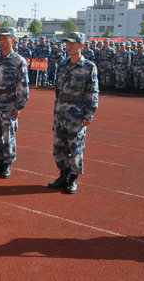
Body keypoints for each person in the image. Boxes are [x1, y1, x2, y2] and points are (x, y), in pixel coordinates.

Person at [48, 32, 98, 194]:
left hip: (76, 115)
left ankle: (73, 178)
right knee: (59, 147)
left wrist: (89, 113)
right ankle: (63, 175)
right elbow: (58, 91)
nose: (68, 46)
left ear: (81, 45)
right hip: (60, 112)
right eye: (67, 43)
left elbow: (93, 92)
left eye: (72, 43)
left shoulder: (89, 67)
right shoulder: (62, 64)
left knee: (75, 148)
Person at [0, 27, 29, 179]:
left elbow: (23, 86)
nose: (2, 41)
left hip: (8, 104)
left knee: (8, 135)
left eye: (5, 38)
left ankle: (7, 164)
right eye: (0, 38)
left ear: (13, 40)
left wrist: (19, 106)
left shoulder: (18, 61)